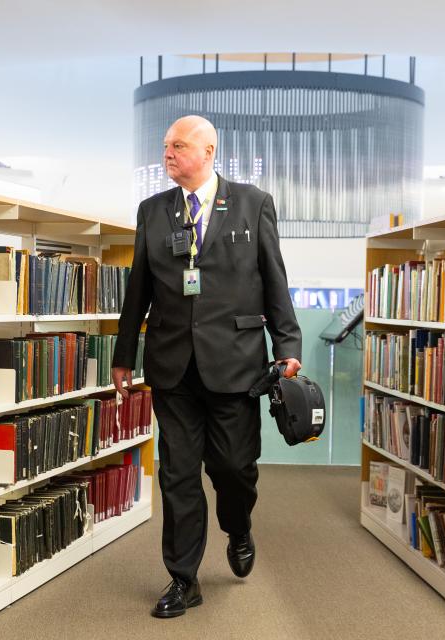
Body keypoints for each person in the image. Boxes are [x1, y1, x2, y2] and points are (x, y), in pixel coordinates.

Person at [112, 115, 302, 619]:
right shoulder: (153, 211)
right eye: (165, 145)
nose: (167, 153)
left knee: (233, 469)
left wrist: (287, 342)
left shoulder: (252, 203)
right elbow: (139, 290)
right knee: (176, 475)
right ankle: (183, 578)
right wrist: (122, 355)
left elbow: (274, 277)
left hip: (234, 362)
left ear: (209, 150)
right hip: (171, 366)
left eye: (178, 145)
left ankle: (238, 527)